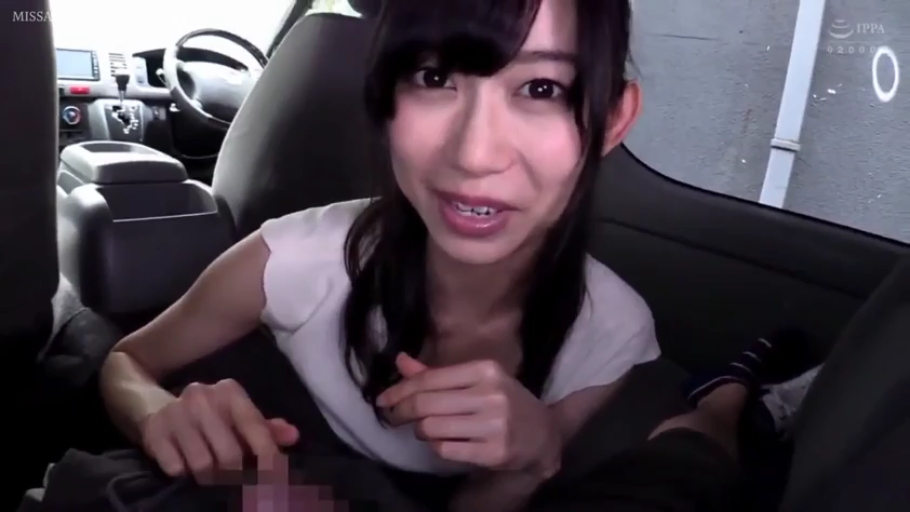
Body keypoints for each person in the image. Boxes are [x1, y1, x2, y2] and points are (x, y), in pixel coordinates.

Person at [98, 1, 655, 511]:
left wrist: (531, 463)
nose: (474, 155)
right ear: (386, 100)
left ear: (612, 120)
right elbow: (126, 362)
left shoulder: (609, 331)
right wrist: (157, 413)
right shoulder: (293, 258)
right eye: (433, 78)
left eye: (541, 88)